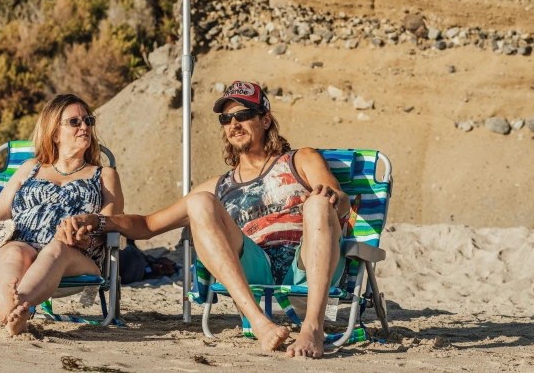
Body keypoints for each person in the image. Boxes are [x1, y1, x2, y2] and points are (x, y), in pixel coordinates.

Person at [57, 81, 350, 358]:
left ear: (265, 120)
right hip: (256, 266)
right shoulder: (219, 185)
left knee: (319, 203)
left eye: (243, 115)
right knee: (199, 202)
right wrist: (96, 220)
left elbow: (340, 202)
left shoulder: (300, 159)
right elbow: (148, 225)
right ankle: (259, 322)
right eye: (226, 119)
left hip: (308, 263)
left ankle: (313, 326)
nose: (233, 124)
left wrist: (331, 197)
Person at [0, 94, 124, 335]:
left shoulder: (104, 175)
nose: (84, 126)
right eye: (74, 122)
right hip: (22, 249)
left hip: (74, 256)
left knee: (56, 249)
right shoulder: (30, 168)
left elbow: (112, 225)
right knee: (13, 250)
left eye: (88, 120)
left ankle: (14, 305)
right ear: (55, 133)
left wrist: (90, 239)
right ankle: (12, 307)